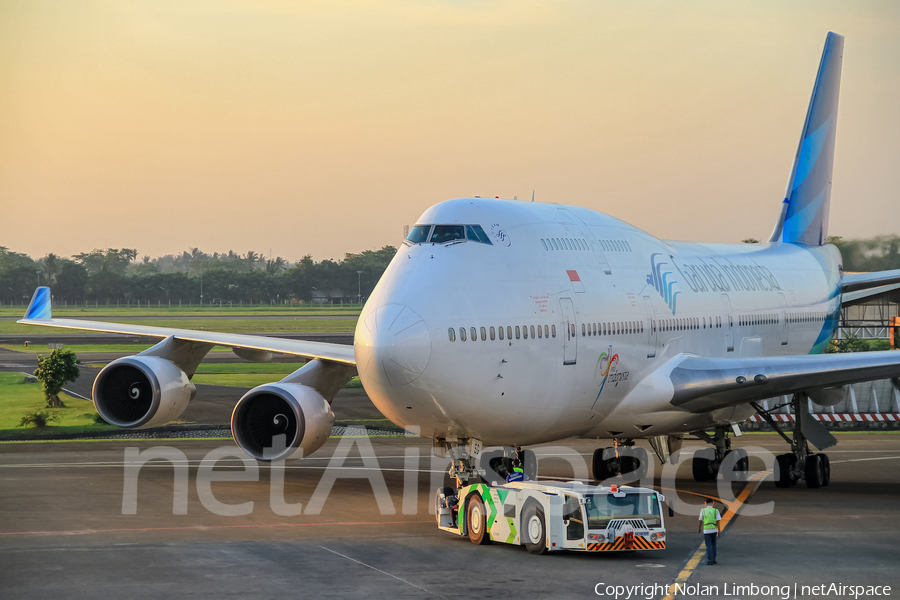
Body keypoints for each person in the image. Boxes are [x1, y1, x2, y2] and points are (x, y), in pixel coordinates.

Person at [699, 498, 721, 565]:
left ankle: (710, 560)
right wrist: (719, 531)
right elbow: (718, 521)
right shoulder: (716, 511)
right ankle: (714, 559)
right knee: (714, 544)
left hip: (706, 530)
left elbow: (700, 520)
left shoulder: (703, 511)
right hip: (714, 530)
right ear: (713, 503)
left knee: (708, 545)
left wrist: (699, 528)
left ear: (705, 503)